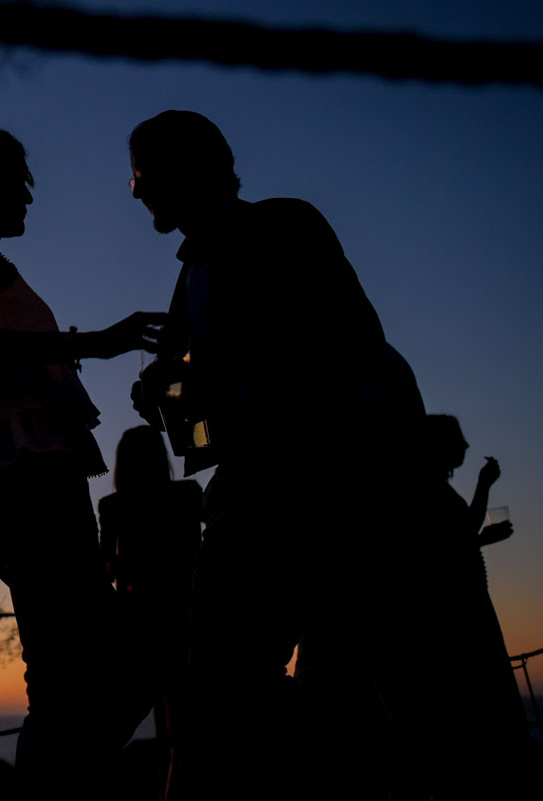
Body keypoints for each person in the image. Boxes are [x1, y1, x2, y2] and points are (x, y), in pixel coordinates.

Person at [126, 110, 425, 799]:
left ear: (185, 170)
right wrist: (166, 390)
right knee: (234, 686)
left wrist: (224, 388)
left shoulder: (285, 224)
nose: (135, 193)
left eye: (140, 175)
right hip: (247, 493)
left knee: (316, 683)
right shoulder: (189, 273)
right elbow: (198, 388)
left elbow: (356, 342)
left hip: (324, 487)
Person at [0, 122, 165, 788]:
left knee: (73, 668)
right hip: (22, 480)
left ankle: (63, 780)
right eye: (20, 184)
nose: (29, 199)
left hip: (17, 479)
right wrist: (90, 342)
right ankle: (60, 785)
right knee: (115, 662)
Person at [408, 414, 530, 798]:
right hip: (461, 611)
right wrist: (484, 485)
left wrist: (481, 540)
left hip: (466, 604)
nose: (466, 446)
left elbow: (455, 542)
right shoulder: (428, 491)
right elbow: (452, 543)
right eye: (458, 440)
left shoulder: (431, 490)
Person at [97, 425, 201, 799]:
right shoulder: (188, 495)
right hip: (187, 618)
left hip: (136, 623)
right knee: (185, 733)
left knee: (112, 727)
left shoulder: (113, 506)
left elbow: (104, 569)